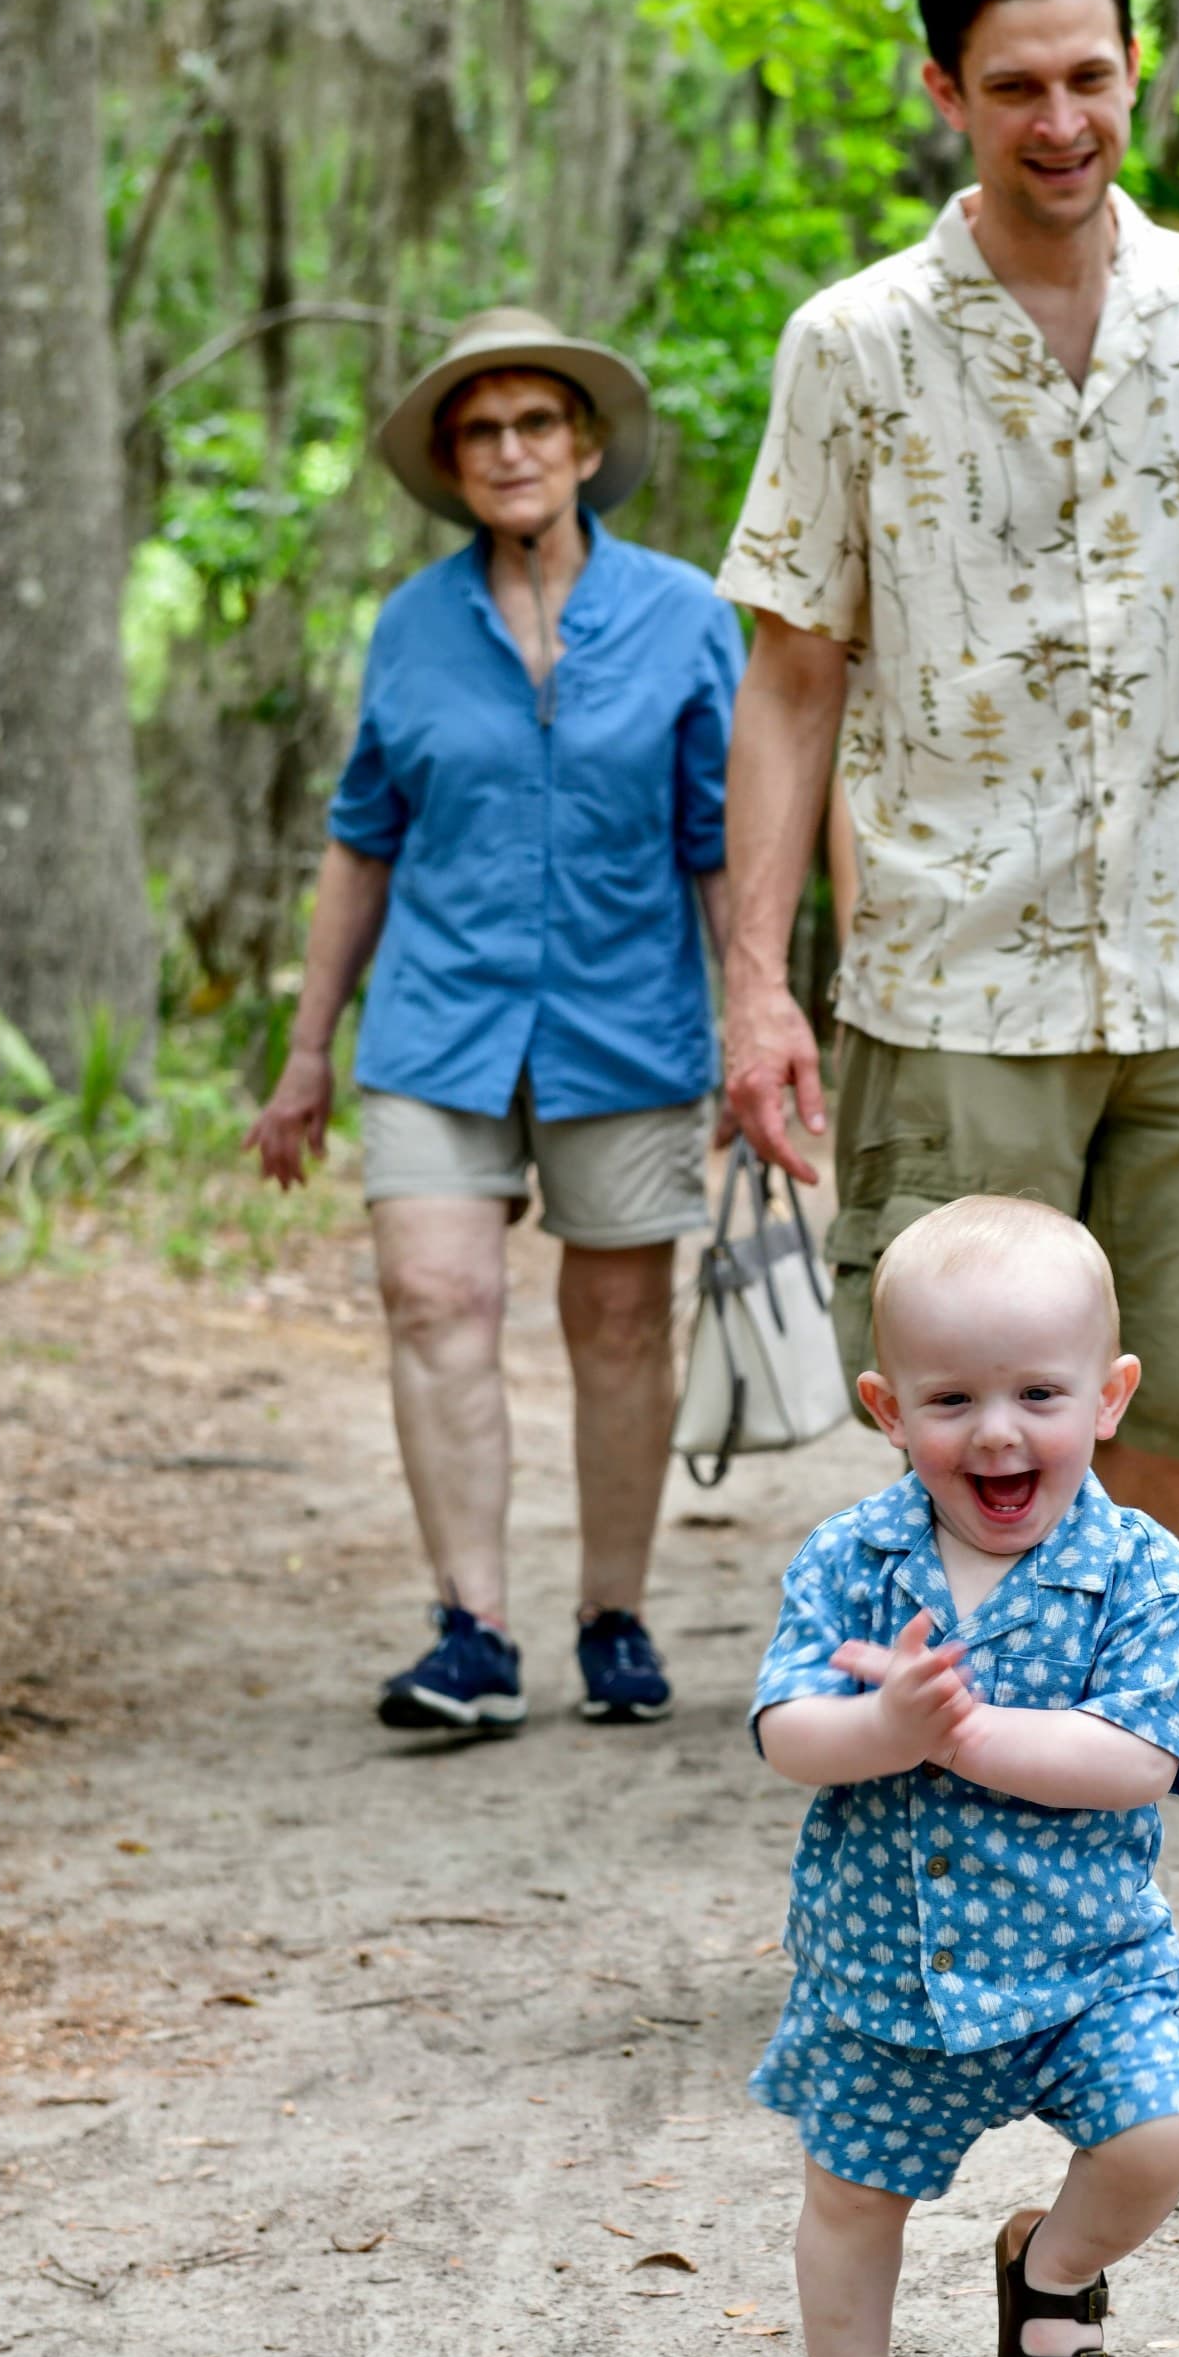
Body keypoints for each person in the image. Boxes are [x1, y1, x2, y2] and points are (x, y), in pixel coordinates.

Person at [716, 0, 1179, 1544]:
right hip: (951, 981)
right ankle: (1001, 1730)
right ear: (945, 93)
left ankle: (1084, 1702)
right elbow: (792, 680)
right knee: (969, 1419)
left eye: (1090, 79)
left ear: (1134, 72)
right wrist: (757, 989)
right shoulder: (855, 345)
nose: (1063, 122)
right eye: (1018, 86)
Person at [246, 307, 741, 1734]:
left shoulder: (684, 617)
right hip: (435, 1023)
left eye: (537, 424)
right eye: (482, 430)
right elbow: (361, 843)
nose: (512, 449)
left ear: (585, 447)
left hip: (627, 1020)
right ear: (452, 463)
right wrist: (303, 1055)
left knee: (620, 1320)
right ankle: (471, 1629)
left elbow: (718, 840)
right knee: (434, 1297)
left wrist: (762, 1020)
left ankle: (615, 1615)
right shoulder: (411, 626)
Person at [747, 1196, 1179, 2357]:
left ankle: (1054, 2270)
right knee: (851, 2198)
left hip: (1085, 1966)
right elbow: (786, 1733)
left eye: (1039, 1394)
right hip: (889, 1968)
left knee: (1160, 2131)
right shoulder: (851, 1556)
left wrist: (959, 1738)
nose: (998, 1431)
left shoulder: (1137, 1567)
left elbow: (1135, 1754)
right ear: (888, 1410)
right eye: (951, 1399)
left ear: (1109, 1399)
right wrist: (884, 1726)